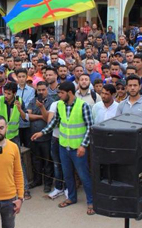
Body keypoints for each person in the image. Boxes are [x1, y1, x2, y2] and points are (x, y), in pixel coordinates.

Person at [31, 81, 95, 215]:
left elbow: (90, 127)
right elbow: (55, 122)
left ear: (70, 93)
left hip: (78, 148)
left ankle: (91, 201)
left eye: (61, 93)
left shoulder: (83, 106)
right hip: (63, 146)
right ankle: (71, 198)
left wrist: (83, 146)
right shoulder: (60, 105)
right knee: (67, 175)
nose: (59, 95)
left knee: (84, 176)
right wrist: (42, 132)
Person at [27, 81, 54, 193]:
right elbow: (28, 115)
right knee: (36, 160)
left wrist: (42, 110)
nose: (41, 92)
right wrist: (40, 116)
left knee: (47, 161)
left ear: (47, 89)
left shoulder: (52, 102)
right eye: (39, 90)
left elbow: (48, 117)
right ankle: (37, 180)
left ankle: (48, 183)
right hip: (33, 135)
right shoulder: (33, 101)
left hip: (46, 136)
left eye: (43, 89)